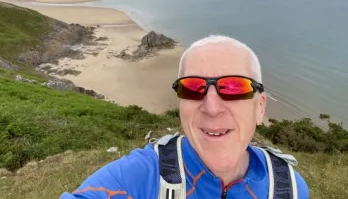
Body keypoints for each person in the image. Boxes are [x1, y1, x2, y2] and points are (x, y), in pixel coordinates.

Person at [60, 35, 309, 199]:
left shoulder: (290, 188)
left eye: (234, 87)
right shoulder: (137, 177)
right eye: (192, 87)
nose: (212, 108)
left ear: (260, 107)